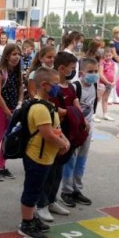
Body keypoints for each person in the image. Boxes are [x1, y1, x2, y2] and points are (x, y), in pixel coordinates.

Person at [18, 67, 70, 238]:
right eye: (55, 84)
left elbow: (55, 128)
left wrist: (64, 139)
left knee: (38, 188)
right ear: (45, 85)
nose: (58, 87)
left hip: (45, 156)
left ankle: (32, 218)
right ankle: (26, 224)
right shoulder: (40, 108)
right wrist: (62, 144)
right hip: (36, 156)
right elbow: (47, 133)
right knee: (31, 191)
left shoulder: (49, 105)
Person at [38, 51, 82, 218]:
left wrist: (72, 111)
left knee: (58, 171)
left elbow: (75, 106)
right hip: (54, 134)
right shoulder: (52, 88)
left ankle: (51, 200)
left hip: (68, 134)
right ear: (62, 68)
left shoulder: (71, 87)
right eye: (71, 68)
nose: (73, 71)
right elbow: (50, 108)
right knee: (48, 170)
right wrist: (68, 111)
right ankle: (41, 204)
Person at [61, 58, 98, 207]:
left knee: (82, 160)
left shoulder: (94, 86)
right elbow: (70, 109)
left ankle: (77, 188)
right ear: (81, 73)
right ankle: (66, 191)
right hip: (75, 129)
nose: (94, 74)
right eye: (90, 72)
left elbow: (92, 106)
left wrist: (90, 123)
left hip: (88, 128)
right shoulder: (75, 87)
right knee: (71, 160)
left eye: (96, 71)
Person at [0, 44, 22, 182]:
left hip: (13, 109)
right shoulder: (0, 72)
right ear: (7, 56)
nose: (17, 57)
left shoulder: (18, 72)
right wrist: (7, 111)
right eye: (14, 54)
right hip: (1, 109)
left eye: (18, 54)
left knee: (6, 139)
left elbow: (20, 89)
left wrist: (19, 105)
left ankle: (2, 166)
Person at [97, 46, 116, 122]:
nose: (108, 57)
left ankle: (105, 114)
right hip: (102, 83)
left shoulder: (112, 63)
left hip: (110, 84)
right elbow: (101, 74)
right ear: (103, 56)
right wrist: (106, 82)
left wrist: (114, 81)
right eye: (106, 56)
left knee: (105, 99)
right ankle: (93, 114)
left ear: (112, 55)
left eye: (110, 56)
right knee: (98, 98)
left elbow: (113, 73)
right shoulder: (102, 62)